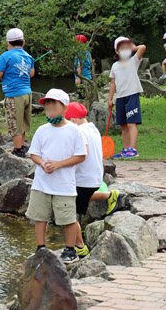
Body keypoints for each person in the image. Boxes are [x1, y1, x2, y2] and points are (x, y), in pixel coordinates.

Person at [26, 89, 87, 264]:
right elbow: (34, 153)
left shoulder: (74, 131)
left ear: (64, 107)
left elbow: (81, 155)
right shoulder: (42, 130)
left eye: (54, 104)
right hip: (41, 182)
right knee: (40, 216)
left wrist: (59, 164)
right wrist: (42, 163)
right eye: (47, 105)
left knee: (68, 218)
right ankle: (40, 248)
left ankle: (70, 249)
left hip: (64, 183)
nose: (50, 108)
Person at [65, 102, 121, 258]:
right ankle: (111, 195)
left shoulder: (78, 131)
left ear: (74, 120)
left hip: (84, 180)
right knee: (81, 199)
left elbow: (83, 152)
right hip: (95, 177)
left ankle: (80, 247)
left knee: (68, 211)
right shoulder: (92, 127)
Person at [0, 28, 35, 158]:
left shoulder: (6, 56)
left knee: (14, 123)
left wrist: (7, 74)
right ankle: (21, 146)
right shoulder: (28, 56)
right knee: (22, 122)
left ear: (7, 43)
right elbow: (31, 74)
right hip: (28, 93)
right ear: (23, 43)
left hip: (14, 94)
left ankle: (17, 150)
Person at [108, 36, 146, 159]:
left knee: (131, 123)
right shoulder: (114, 66)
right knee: (123, 125)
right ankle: (125, 150)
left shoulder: (133, 61)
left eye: (127, 48)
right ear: (116, 51)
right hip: (120, 98)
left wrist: (133, 47)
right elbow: (113, 83)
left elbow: (143, 47)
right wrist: (110, 98)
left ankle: (133, 149)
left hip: (132, 96)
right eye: (122, 48)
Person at [74, 35, 93, 101]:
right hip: (88, 77)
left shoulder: (81, 53)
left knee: (81, 98)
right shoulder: (87, 52)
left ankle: (83, 111)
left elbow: (80, 65)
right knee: (86, 97)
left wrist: (78, 78)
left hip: (82, 78)